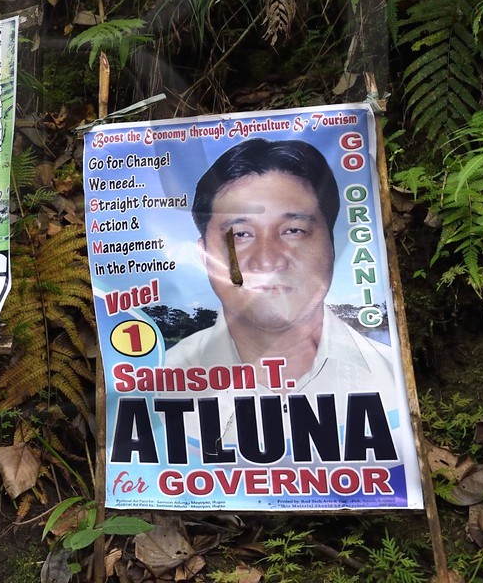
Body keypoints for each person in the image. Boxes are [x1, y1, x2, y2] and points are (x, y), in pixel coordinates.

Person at [164, 137, 396, 414]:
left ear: (333, 244)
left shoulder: (392, 377)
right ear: (205, 257)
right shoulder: (157, 384)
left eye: (293, 231)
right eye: (240, 234)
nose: (268, 261)